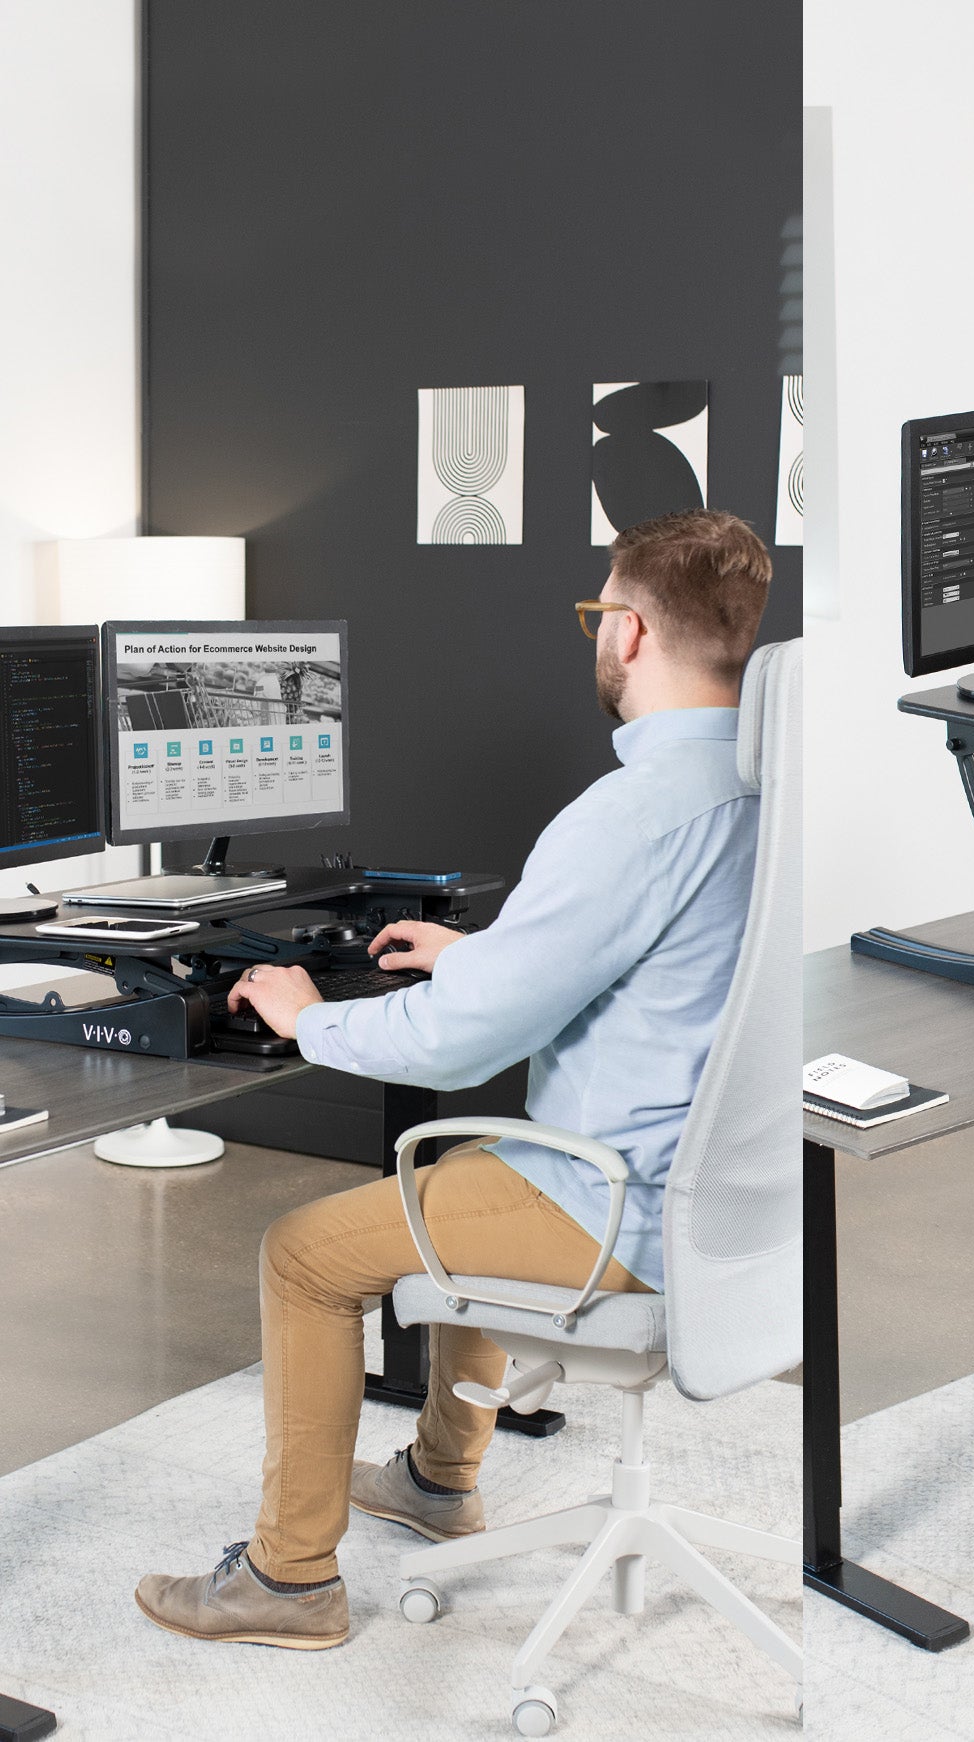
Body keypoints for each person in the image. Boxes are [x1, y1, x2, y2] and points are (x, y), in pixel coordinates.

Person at [134, 508, 773, 1649]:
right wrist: (479, 956)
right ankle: (438, 1477)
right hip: (720, 1192)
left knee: (304, 1253)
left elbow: (452, 1048)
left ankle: (286, 1582)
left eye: (597, 613)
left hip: (619, 1207)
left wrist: (312, 1014)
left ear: (626, 630)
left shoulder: (627, 816)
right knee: (479, 1168)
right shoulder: (761, 783)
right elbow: (663, 967)